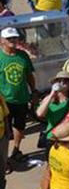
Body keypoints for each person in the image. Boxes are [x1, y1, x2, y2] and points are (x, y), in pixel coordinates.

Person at [0, 27, 36, 163]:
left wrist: (34, 91)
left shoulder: (23, 56)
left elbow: (29, 75)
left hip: (21, 99)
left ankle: (16, 150)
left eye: (14, 38)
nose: (13, 41)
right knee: (4, 132)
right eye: (9, 39)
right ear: (1, 41)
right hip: (4, 102)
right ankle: (3, 158)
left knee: (20, 126)